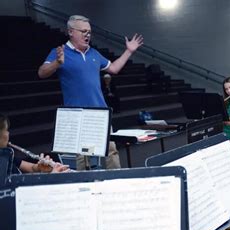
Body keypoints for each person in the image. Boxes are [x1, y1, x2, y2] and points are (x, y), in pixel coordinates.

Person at [37, 15, 144, 170]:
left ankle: (117, 181)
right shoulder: (59, 52)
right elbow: (42, 72)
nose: (87, 35)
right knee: (82, 157)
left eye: (89, 32)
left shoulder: (93, 53)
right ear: (71, 32)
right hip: (77, 115)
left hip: (101, 113)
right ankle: (84, 187)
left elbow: (113, 68)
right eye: (83, 31)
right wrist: (57, 62)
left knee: (111, 151)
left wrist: (128, 51)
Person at [0, 114, 68, 174]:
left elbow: (32, 168)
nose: (8, 133)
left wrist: (40, 167)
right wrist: (53, 176)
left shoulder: (5, 155)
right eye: (6, 130)